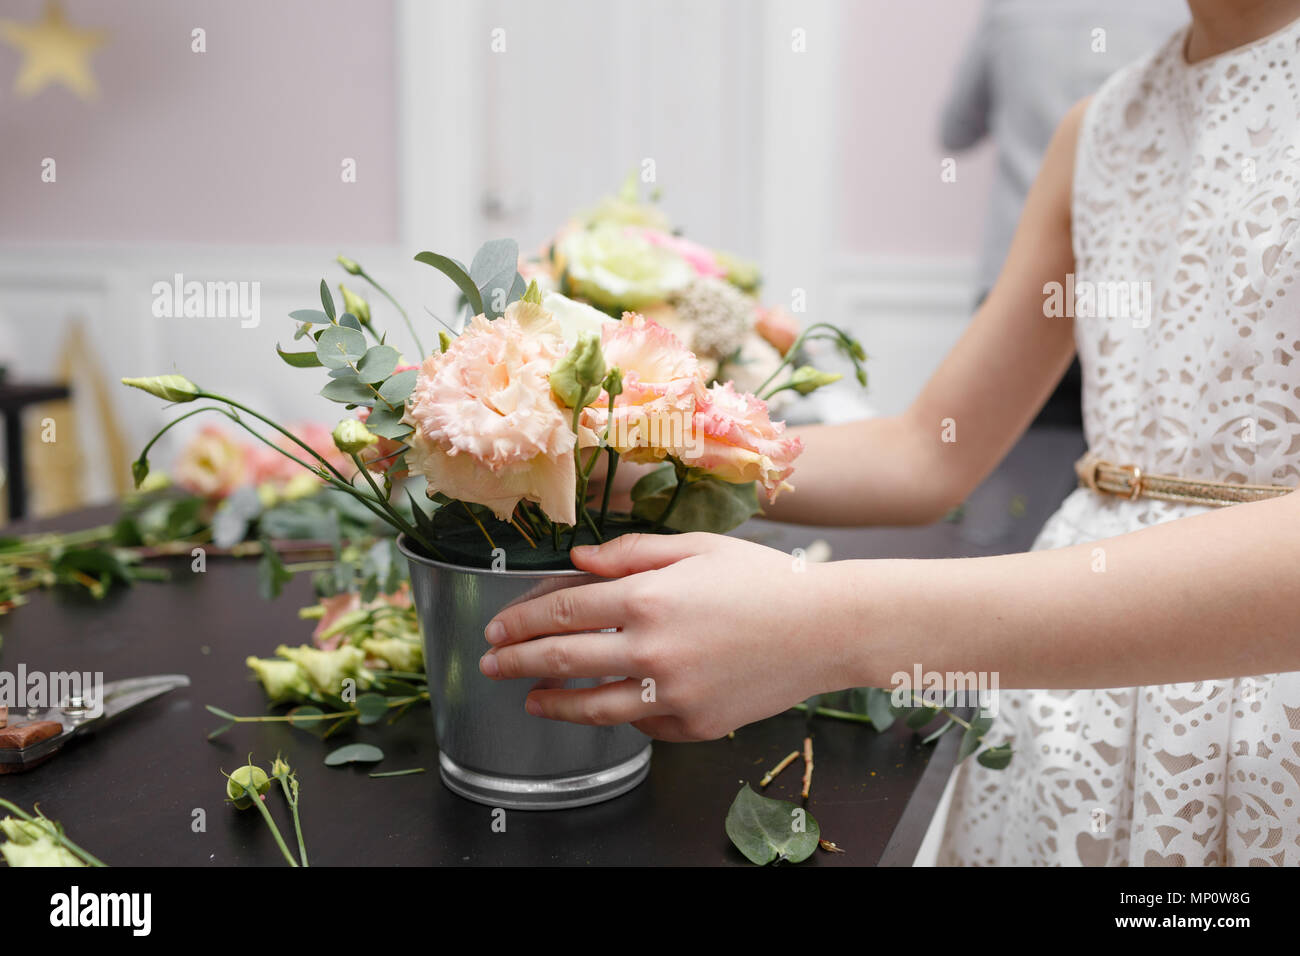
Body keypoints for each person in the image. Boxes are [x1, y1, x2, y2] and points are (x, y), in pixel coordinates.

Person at [477, 0, 1300, 866]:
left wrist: (824, 627)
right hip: (1071, 726)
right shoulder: (1100, 130)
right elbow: (928, 453)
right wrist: (637, 455)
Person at [941, 0, 1188, 428]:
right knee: (1125, 452)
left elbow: (955, 130)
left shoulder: (1009, 11)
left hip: (1017, 280)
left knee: (1010, 466)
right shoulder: (1180, 16)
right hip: (1136, 284)